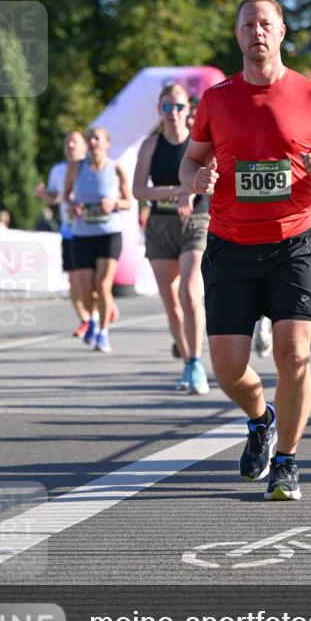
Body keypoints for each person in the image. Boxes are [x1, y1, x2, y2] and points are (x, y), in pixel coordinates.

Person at [179, 0, 311, 501]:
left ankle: (287, 460)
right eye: (247, 25)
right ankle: (260, 418)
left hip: (294, 242)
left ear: (282, 31)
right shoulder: (217, 99)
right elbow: (190, 161)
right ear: (237, 35)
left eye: (266, 23)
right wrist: (196, 178)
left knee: (294, 354)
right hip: (230, 244)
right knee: (227, 368)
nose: (256, 32)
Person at [133, 83, 210, 394]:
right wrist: (174, 191)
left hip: (195, 222)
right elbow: (138, 191)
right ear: (160, 110)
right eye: (168, 107)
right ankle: (188, 360)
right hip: (160, 225)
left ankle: (196, 364)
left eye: (179, 107)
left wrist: (191, 192)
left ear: (187, 110)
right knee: (171, 303)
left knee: (190, 294)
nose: (174, 113)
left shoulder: (199, 142)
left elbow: (210, 181)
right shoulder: (150, 146)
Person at [64, 126, 131, 353]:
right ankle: (92, 319)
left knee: (102, 287)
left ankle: (103, 333)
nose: (92, 142)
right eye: (89, 139)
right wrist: (73, 206)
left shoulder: (116, 169)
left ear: (106, 143)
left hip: (108, 233)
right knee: (85, 291)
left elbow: (129, 202)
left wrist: (113, 204)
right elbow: (66, 196)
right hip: (82, 234)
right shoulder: (76, 167)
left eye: (96, 138)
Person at [35, 130, 94, 337]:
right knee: (73, 280)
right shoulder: (57, 171)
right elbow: (54, 198)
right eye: (67, 142)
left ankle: (101, 307)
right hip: (69, 231)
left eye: (74, 142)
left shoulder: (93, 168)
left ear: (84, 147)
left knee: (92, 281)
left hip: (92, 230)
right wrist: (44, 195)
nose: (70, 146)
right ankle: (85, 320)